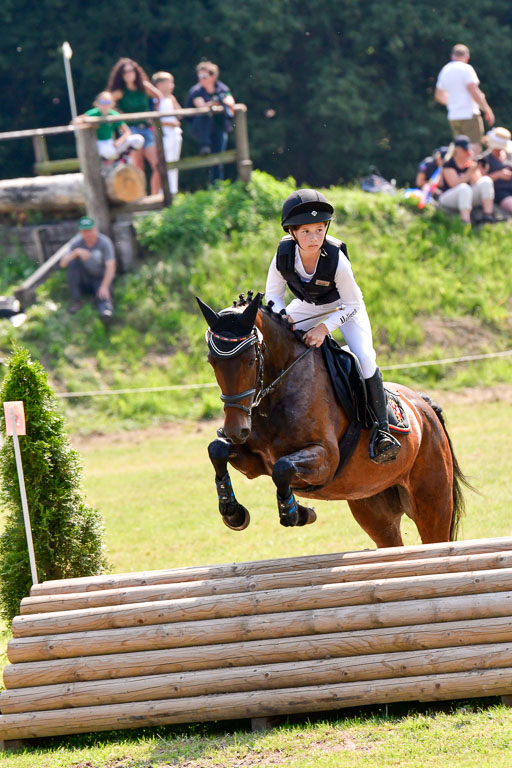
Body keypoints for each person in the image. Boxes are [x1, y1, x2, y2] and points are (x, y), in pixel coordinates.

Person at [265, 189, 401, 465]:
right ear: (292, 232)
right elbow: (273, 296)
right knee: (273, 343)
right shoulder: (283, 254)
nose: (315, 237)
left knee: (364, 358)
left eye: (320, 229)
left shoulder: (336, 258)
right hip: (305, 307)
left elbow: (353, 303)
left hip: (344, 308)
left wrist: (324, 329)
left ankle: (382, 431)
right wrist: (283, 317)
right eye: (306, 232)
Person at [107, 58, 163, 194]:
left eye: (131, 71)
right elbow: (105, 102)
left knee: (158, 165)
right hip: (131, 131)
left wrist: (152, 113)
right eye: (125, 72)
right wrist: (118, 116)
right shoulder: (120, 92)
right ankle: (141, 198)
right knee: (138, 167)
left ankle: (155, 195)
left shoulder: (144, 86)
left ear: (136, 72)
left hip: (146, 129)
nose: (129, 74)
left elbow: (159, 96)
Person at [435, 44, 494, 152]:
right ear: (467, 57)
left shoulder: (445, 70)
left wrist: (452, 103)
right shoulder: (467, 69)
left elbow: (438, 95)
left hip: (453, 116)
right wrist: (487, 109)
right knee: (474, 147)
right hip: (469, 114)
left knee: (460, 149)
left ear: (452, 56)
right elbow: (473, 91)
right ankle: (473, 169)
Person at [185, 61, 235, 183]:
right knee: (206, 114)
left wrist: (221, 101)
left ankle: (217, 187)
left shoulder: (222, 88)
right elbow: (201, 106)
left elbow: (230, 101)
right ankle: (205, 144)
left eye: (204, 76)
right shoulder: (196, 91)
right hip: (200, 130)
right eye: (199, 77)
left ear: (213, 77)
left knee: (219, 159)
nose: (201, 79)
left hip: (219, 128)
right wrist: (214, 103)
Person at [60, 217, 116, 324]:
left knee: (103, 293)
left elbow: (111, 266)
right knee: (72, 264)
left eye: (90, 230)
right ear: (81, 232)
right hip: (85, 278)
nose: (88, 233)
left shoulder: (105, 242)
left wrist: (104, 286)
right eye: (85, 231)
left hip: (100, 277)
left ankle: (105, 312)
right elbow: (63, 264)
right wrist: (75, 253)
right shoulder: (76, 244)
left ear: (95, 229)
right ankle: (76, 301)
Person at [437, 135, 495, 223]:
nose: (468, 152)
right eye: (465, 150)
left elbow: (478, 183)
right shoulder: (448, 165)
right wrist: (469, 173)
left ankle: (488, 215)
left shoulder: (470, 163)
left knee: (486, 181)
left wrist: (476, 169)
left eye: (468, 149)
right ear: (457, 150)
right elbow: (454, 184)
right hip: (448, 198)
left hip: (466, 198)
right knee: (464, 188)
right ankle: (466, 221)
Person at [76, 91, 144, 162]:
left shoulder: (114, 114)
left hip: (111, 143)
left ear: (112, 103)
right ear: (97, 103)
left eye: (108, 102)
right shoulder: (93, 113)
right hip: (99, 143)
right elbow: (77, 120)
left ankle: (123, 157)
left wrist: (118, 142)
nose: (105, 105)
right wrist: (83, 121)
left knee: (138, 139)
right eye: (102, 102)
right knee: (107, 152)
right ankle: (117, 160)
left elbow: (127, 132)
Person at [151, 71, 183, 196]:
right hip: (164, 136)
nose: (172, 85)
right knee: (165, 163)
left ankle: (173, 191)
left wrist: (173, 100)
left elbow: (179, 114)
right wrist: (170, 124)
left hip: (175, 134)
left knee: (174, 163)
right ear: (160, 85)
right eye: (169, 82)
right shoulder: (156, 100)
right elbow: (153, 120)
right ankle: (162, 192)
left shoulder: (171, 98)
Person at [479, 127, 512, 215]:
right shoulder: (484, 159)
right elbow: (480, 180)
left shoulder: (509, 155)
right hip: (500, 193)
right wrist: (498, 175)